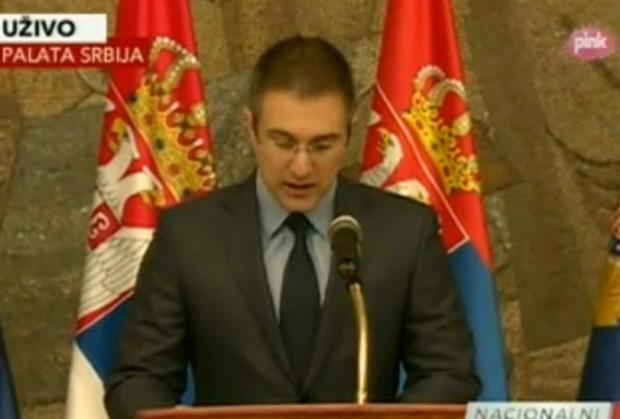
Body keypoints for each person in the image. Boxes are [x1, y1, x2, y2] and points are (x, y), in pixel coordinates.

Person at [104, 35, 479, 419]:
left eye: (322, 145)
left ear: (349, 133)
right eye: (283, 143)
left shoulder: (405, 233)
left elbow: (448, 374)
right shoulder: (189, 236)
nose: (301, 167)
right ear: (251, 129)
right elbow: (138, 381)